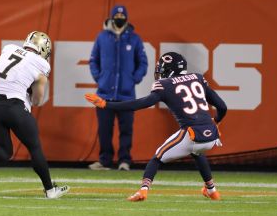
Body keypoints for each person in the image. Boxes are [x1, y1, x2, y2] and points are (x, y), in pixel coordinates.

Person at [86, 52, 226, 202]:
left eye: (163, 69)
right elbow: (222, 107)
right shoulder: (198, 78)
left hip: (191, 134)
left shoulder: (164, 85)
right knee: (197, 152)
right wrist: (215, 121)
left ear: (170, 70)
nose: (161, 73)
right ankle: (212, 191)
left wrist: (107, 104)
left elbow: (140, 104)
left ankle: (143, 191)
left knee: (157, 157)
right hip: (212, 135)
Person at [0, 31, 70, 199]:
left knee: (4, 151)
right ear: (43, 49)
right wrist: (38, 84)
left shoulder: (8, 48)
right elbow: (37, 101)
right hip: (15, 107)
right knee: (35, 148)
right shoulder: (41, 64)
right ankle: (50, 190)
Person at [88, 4, 148, 171]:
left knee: (126, 130)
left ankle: (124, 161)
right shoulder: (102, 37)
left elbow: (142, 62)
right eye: (117, 16)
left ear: (126, 19)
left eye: (122, 17)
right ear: (111, 18)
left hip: (126, 94)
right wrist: (99, 78)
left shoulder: (134, 39)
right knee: (104, 130)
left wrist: (133, 78)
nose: (120, 19)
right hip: (104, 94)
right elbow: (93, 60)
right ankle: (105, 160)